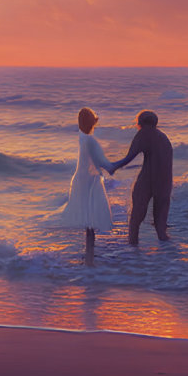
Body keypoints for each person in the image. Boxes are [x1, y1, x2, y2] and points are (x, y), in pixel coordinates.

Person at [54, 107, 115, 266]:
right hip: (90, 182)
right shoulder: (90, 140)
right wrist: (124, 162)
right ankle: (90, 259)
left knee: (88, 223)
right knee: (90, 221)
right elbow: (103, 164)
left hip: (81, 180)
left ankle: (89, 256)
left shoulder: (82, 137)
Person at [110, 110, 173, 245]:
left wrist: (112, 167)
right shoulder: (163, 137)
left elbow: (129, 157)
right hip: (165, 182)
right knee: (161, 229)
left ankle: (133, 253)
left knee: (136, 219)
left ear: (141, 123)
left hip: (149, 179)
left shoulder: (144, 133)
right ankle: (168, 259)